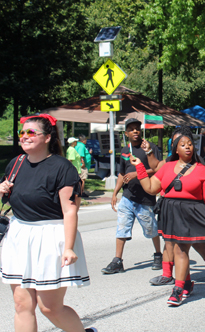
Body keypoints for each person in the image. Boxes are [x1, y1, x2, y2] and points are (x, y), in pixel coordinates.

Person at [0, 114, 96, 332]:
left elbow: (70, 210)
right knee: (22, 304)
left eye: (31, 132)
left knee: (49, 307)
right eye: (22, 133)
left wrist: (69, 247)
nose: (24, 136)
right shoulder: (16, 164)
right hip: (20, 235)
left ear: (47, 138)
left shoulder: (62, 167)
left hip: (51, 237)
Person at [131, 130, 205, 306]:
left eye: (190, 144)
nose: (188, 147)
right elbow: (151, 189)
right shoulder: (166, 167)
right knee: (176, 248)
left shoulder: (202, 170)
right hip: (170, 212)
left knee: (182, 249)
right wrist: (139, 167)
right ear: (175, 149)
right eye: (183, 144)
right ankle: (186, 282)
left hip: (191, 212)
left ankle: (178, 289)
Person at [101, 118, 163, 274]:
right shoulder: (125, 150)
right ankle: (117, 261)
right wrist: (115, 193)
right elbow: (122, 173)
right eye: (132, 129)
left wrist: (138, 173)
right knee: (122, 227)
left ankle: (158, 255)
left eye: (137, 128)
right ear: (126, 133)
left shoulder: (149, 147)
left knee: (151, 228)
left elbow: (158, 169)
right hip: (128, 196)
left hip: (145, 197)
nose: (135, 131)